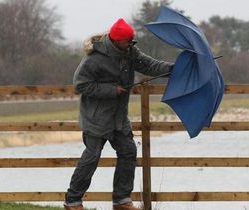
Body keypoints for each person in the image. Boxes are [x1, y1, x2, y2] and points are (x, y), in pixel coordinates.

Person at [64, 18, 173, 210]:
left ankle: (121, 200)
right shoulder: (94, 58)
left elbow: (150, 65)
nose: (132, 43)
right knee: (91, 157)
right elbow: (80, 84)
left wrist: (175, 69)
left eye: (133, 40)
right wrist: (111, 90)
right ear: (117, 40)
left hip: (119, 119)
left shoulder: (130, 52)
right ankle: (72, 201)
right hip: (96, 118)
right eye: (129, 40)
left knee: (128, 151)